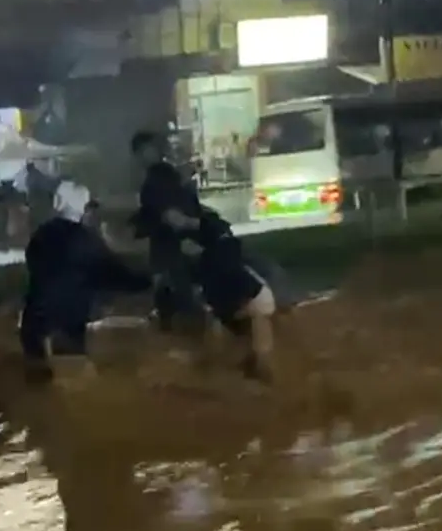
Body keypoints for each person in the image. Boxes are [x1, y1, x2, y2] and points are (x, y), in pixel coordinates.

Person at [20, 181, 152, 381]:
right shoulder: (86, 240)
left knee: (37, 384)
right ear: (83, 207)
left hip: (35, 323)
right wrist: (148, 281)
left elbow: (34, 269)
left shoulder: (40, 235)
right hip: (68, 325)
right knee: (71, 384)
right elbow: (114, 274)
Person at [182, 210, 280, 380]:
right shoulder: (219, 254)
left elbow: (243, 291)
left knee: (249, 319)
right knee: (232, 323)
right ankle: (248, 360)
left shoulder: (216, 259)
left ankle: (258, 364)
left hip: (249, 298)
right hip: (245, 298)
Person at [131, 129, 205, 333]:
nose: (154, 151)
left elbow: (173, 214)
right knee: (176, 298)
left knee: (179, 300)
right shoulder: (159, 177)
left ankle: (188, 342)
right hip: (170, 249)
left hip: (172, 249)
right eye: (149, 149)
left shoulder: (159, 177)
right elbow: (170, 214)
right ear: (140, 153)